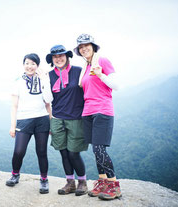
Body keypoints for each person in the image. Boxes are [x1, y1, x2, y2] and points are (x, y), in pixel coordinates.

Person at [73, 33, 121, 200]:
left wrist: (101, 75)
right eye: (80, 47)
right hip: (88, 112)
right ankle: (102, 181)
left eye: (86, 45)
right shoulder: (86, 67)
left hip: (103, 111)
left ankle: (114, 185)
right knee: (96, 151)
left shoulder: (102, 61)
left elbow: (116, 85)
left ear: (93, 46)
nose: (83, 48)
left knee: (99, 149)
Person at [6, 53, 53, 194]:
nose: (30, 66)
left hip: (42, 119)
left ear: (37, 66)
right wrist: (12, 125)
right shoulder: (18, 81)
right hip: (23, 120)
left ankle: (44, 180)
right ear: (23, 64)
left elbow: (48, 102)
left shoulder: (44, 79)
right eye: (27, 63)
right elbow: (14, 105)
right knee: (19, 151)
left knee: (41, 152)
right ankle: (15, 174)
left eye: (33, 63)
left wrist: (51, 122)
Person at [45, 45, 89, 196]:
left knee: (73, 153)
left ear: (67, 56)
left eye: (61, 55)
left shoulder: (78, 71)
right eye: (55, 57)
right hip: (57, 119)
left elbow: (89, 89)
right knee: (63, 153)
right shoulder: (49, 76)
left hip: (76, 118)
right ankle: (70, 183)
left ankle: (82, 182)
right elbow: (46, 100)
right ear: (52, 60)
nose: (58, 59)